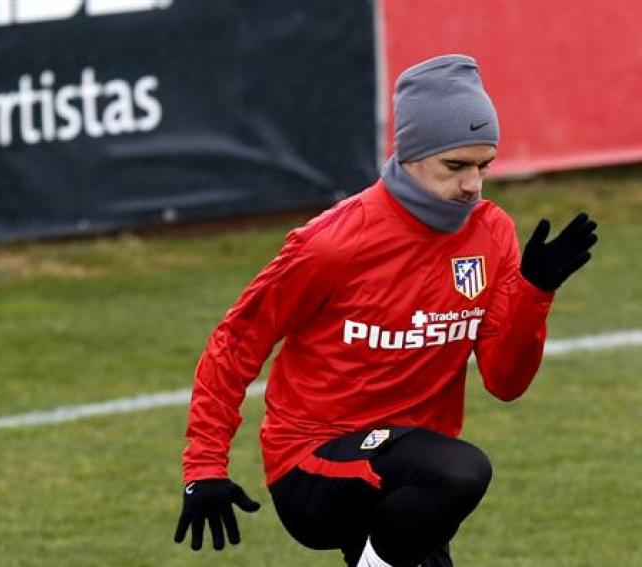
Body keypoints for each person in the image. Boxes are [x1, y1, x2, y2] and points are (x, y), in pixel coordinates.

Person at [172, 54, 598, 567]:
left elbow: (505, 382)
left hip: (411, 476)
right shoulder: (332, 244)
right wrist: (204, 469)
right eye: (455, 166)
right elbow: (236, 342)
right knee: (464, 471)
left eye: (483, 166)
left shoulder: (492, 233)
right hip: (312, 464)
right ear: (411, 153)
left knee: (451, 474)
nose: (473, 185)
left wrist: (534, 291)